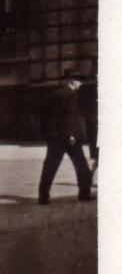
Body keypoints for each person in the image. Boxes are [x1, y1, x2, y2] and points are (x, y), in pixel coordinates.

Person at [38, 69, 94, 205]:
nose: (80, 83)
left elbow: (48, 115)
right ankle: (84, 194)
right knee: (81, 165)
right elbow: (66, 117)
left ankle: (43, 196)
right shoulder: (70, 95)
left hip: (55, 137)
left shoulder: (56, 94)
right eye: (78, 80)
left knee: (50, 166)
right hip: (68, 138)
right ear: (71, 80)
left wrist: (48, 134)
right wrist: (70, 134)